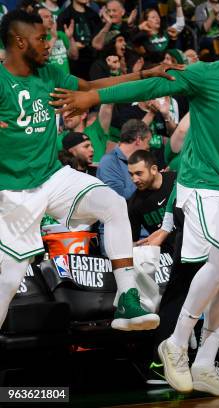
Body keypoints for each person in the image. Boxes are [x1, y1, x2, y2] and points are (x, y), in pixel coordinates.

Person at [52, 23, 219, 396]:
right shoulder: (206, 75)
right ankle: (175, 343)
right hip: (202, 185)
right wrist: (93, 99)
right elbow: (150, 87)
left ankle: (206, 364)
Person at [0, 10, 178, 332]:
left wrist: (145, 75)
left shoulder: (49, 74)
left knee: (112, 204)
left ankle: (126, 297)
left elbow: (95, 85)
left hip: (51, 176)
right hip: (14, 191)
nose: (48, 43)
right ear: (19, 41)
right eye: (41, 38)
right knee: (8, 281)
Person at [127, 149, 177, 254]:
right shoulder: (134, 204)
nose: (134, 179)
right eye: (131, 174)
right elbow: (133, 241)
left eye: (139, 173)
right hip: (165, 259)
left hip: (195, 249)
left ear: (153, 169)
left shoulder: (176, 180)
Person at [97, 119, 152, 200]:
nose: (148, 147)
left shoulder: (140, 160)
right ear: (138, 140)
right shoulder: (109, 162)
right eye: (148, 142)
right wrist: (148, 178)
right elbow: (119, 197)